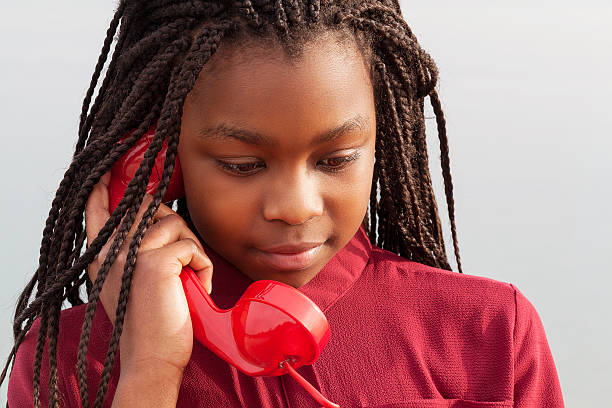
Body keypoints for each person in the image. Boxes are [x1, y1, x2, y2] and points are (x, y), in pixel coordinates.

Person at [2, 0, 564, 407]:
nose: (295, 208)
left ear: (382, 141)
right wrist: (149, 372)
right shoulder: (67, 364)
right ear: (155, 165)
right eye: (242, 165)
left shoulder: (489, 332)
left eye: (337, 158)